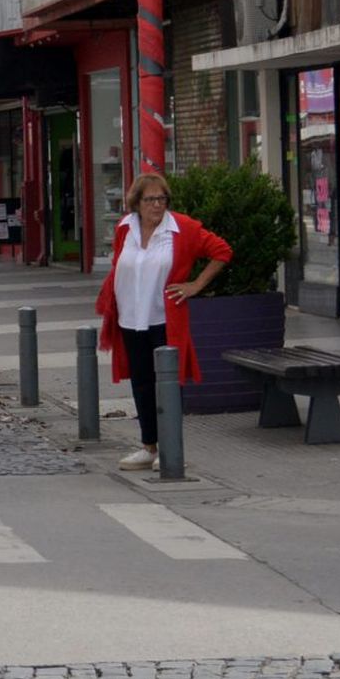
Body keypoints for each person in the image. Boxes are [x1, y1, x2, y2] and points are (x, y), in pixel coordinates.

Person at [95, 173, 232, 472]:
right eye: (150, 199)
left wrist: (196, 285)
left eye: (162, 199)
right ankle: (148, 446)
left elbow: (222, 251)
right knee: (142, 383)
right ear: (137, 202)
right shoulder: (124, 228)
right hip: (130, 319)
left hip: (164, 319)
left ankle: (169, 446)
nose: (157, 205)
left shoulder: (181, 228)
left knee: (168, 383)